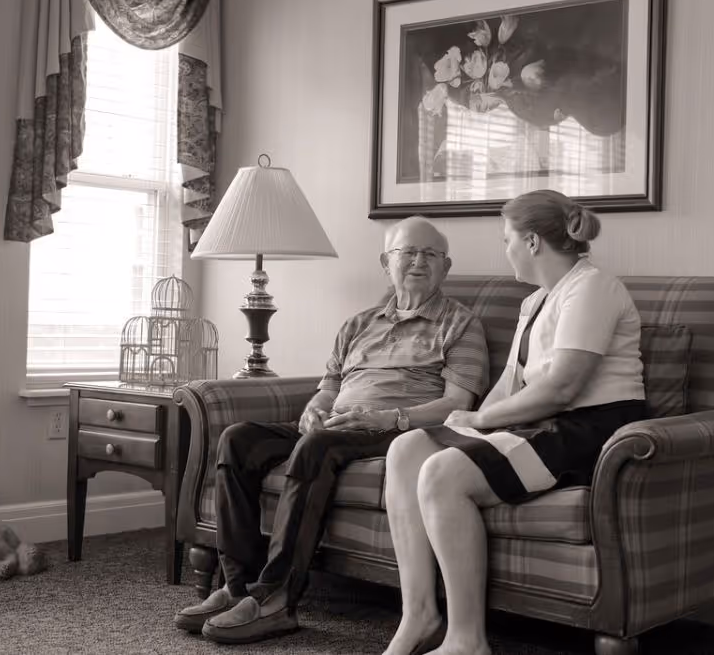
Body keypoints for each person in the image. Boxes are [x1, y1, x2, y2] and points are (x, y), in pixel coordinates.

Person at [175, 216, 490, 645]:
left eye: (431, 255)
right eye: (408, 252)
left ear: (445, 267)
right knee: (239, 438)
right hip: (338, 422)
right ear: (386, 262)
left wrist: (389, 417)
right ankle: (237, 588)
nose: (419, 261)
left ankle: (276, 600)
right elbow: (330, 385)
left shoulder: (461, 324)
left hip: (395, 429)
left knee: (317, 447)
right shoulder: (359, 323)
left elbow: (458, 404)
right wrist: (314, 408)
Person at [382, 190, 648, 655]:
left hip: (590, 430)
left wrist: (482, 418)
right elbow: (512, 384)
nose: (503, 248)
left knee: (442, 473)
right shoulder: (535, 302)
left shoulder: (593, 288)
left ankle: (467, 640)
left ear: (530, 242)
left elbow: (563, 387)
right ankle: (419, 614)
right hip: (540, 424)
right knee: (407, 450)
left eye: (506, 239)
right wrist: (463, 422)